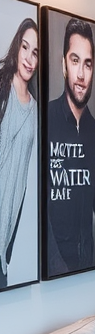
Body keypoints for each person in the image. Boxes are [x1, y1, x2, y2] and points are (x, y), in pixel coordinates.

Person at [46, 17, 95, 275]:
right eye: (74, 61)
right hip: (53, 269)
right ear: (64, 64)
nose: (80, 74)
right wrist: (54, 264)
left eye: (87, 64)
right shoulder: (47, 119)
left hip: (87, 265)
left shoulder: (93, 129)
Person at [0, 16, 39, 289]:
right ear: (16, 47)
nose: (28, 58)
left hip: (7, 230)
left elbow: (24, 177)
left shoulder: (36, 109)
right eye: (25, 47)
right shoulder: (1, 88)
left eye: (35, 52)